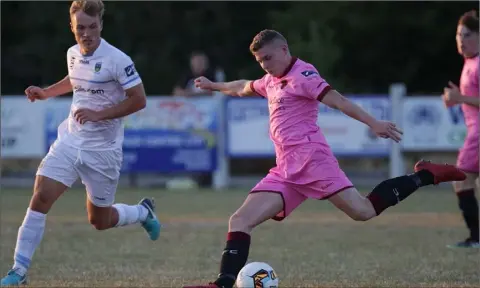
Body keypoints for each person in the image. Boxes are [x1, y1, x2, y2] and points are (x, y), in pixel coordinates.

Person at [183, 29, 467, 288]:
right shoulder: (270, 80)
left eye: (268, 58)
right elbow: (242, 86)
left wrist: (373, 123)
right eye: (259, 61)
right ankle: (221, 284)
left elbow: (339, 101)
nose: (265, 65)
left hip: (314, 162)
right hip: (286, 170)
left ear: (284, 50)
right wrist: (213, 85)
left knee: (364, 212)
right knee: (240, 219)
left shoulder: (304, 76)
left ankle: (424, 175)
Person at [0, 1, 161, 286]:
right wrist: (47, 93)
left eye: (92, 27)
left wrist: (99, 115)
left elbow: (139, 100)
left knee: (99, 221)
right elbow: (73, 80)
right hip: (70, 140)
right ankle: (19, 271)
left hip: (103, 151)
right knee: (40, 197)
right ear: (72, 28)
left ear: (101, 25)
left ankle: (141, 212)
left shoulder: (117, 60)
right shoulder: (72, 53)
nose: (86, 34)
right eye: (80, 28)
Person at [442, 10, 479, 248]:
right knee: (465, 181)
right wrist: (457, 98)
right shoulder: (469, 63)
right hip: (475, 131)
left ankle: (476, 238)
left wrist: (461, 97)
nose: (461, 40)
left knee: (462, 180)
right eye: (458, 35)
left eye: (466, 35)